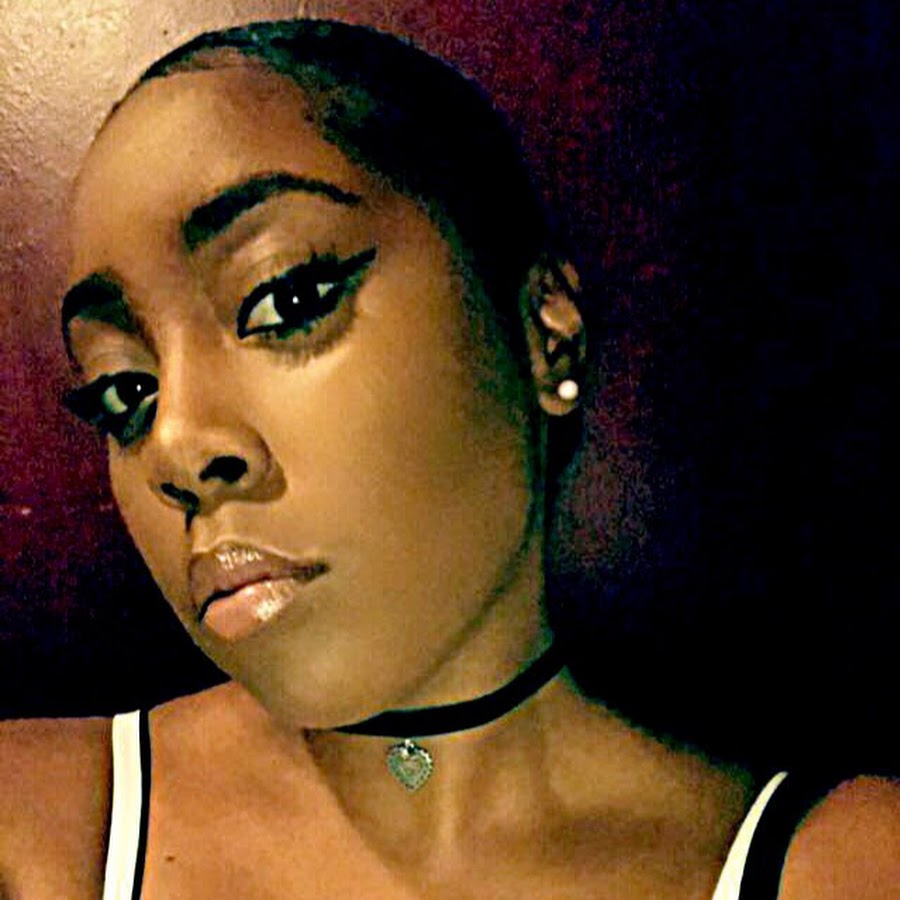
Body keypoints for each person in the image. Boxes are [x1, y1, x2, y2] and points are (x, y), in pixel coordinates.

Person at [0, 19, 897, 899]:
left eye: (287, 299)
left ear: (545, 334)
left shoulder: (838, 865)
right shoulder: (34, 829)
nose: (176, 445)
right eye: (123, 391)